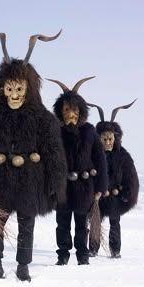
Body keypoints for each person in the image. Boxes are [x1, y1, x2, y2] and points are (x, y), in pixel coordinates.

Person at [0, 28, 67, 282]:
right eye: (9, 88)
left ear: (27, 88)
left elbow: (53, 150)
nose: (13, 95)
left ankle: (23, 266)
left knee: (26, 223)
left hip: (29, 180)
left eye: (19, 89)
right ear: (2, 87)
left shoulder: (43, 118)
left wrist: (55, 182)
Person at [47, 76, 108, 265]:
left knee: (82, 224)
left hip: (85, 187)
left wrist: (100, 187)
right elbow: (49, 159)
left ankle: (82, 255)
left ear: (80, 111)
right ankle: (63, 255)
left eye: (74, 109)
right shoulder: (55, 131)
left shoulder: (90, 131)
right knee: (62, 223)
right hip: (63, 187)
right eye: (66, 109)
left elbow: (100, 160)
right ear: (60, 111)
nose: (70, 114)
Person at [88, 100, 139, 258]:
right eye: (104, 139)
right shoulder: (93, 153)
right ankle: (93, 248)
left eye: (110, 139)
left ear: (116, 138)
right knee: (95, 222)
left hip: (116, 197)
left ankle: (115, 250)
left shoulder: (123, 156)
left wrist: (126, 193)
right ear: (99, 138)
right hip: (98, 197)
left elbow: (130, 176)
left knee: (115, 222)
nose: (108, 142)